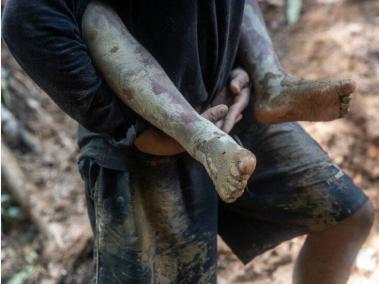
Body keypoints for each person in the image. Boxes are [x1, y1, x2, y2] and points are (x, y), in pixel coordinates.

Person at [2, 0, 374, 283]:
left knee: (346, 216)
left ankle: (273, 83)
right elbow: (26, 17)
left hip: (230, 108)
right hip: (146, 142)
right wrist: (131, 129)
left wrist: (243, 64)